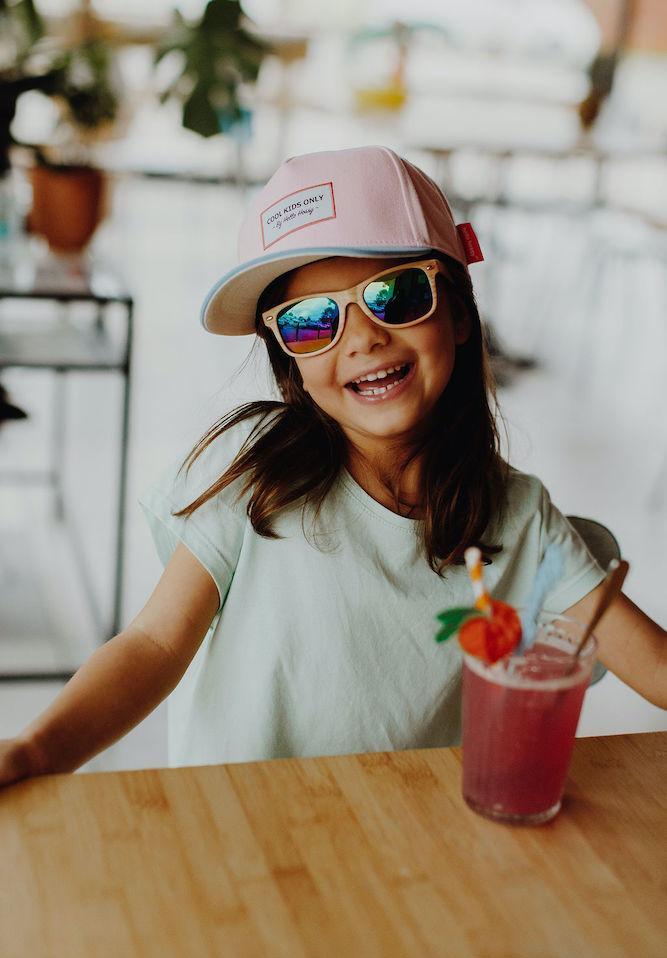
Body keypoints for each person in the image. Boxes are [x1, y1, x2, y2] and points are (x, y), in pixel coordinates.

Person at [1, 145, 665, 787]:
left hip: (407, 856)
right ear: (287, 359)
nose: (364, 338)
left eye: (396, 296)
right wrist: (35, 750)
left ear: (459, 312)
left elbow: (654, 672)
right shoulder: (254, 474)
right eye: (313, 321)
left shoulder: (521, 521)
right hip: (238, 845)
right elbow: (152, 646)